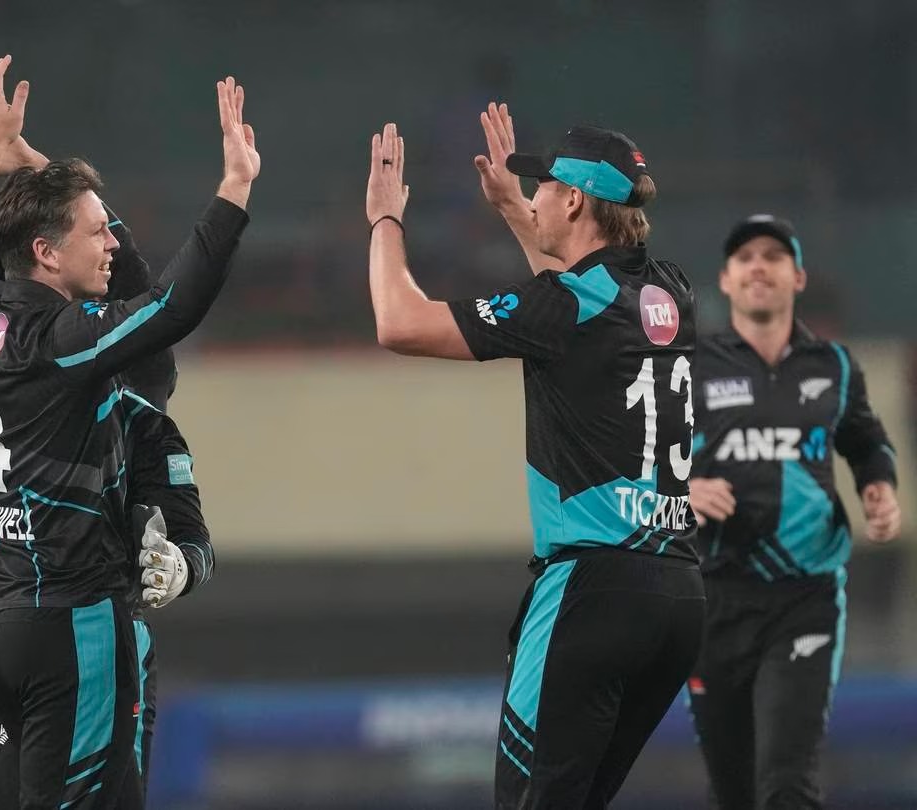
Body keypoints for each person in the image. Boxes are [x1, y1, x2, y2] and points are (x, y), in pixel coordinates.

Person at [0, 55, 254, 809]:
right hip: (71, 620)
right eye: (97, 232)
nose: (110, 245)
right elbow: (167, 303)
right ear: (45, 252)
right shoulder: (69, 342)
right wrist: (232, 192)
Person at [365, 105, 705, 808]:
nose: (537, 194)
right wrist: (515, 210)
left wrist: (383, 221)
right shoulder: (669, 292)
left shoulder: (568, 304)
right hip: (677, 599)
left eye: (546, 185)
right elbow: (578, 299)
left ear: (575, 198)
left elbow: (399, 322)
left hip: (591, 588)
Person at [686, 215, 901, 809]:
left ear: (797, 277)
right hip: (713, 598)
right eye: (746, 257)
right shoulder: (690, 367)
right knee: (734, 790)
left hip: (804, 596)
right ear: (726, 280)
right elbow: (642, 461)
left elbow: (866, 440)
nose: (759, 265)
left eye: (774, 256)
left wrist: (879, 488)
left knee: (786, 782)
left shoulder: (833, 365)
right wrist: (686, 494)